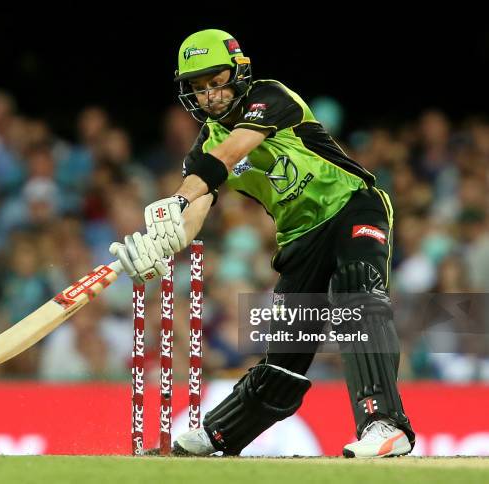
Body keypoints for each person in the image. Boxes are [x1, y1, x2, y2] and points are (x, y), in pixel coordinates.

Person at [109, 29, 415, 458]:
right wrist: (163, 241)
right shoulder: (206, 147)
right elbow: (199, 207)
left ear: (238, 73)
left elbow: (233, 152)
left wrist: (177, 198)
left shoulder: (269, 96)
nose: (209, 96)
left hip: (352, 207)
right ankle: (220, 436)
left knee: (358, 296)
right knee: (285, 357)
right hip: (299, 237)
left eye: (215, 81)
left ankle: (385, 424)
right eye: (198, 88)